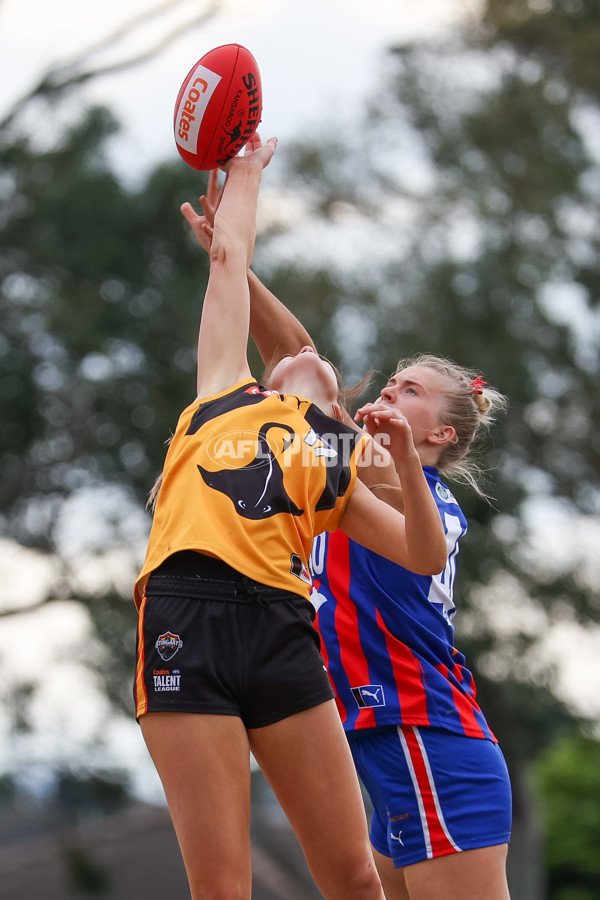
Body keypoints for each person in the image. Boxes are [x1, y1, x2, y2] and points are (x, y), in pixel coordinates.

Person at [132, 136, 448, 900]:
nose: (306, 354)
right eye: (293, 353)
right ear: (271, 373)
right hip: (188, 614)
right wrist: (243, 168)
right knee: (222, 887)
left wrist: (404, 458)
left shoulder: (339, 464)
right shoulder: (222, 389)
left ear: (333, 400)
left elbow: (425, 554)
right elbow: (228, 261)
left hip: (281, 629)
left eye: (322, 362)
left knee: (354, 880)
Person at [238, 224, 512, 898]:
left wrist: (352, 427)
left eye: (409, 391)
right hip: (384, 744)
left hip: (428, 739)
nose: (389, 392)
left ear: (441, 435)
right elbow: (293, 359)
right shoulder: (349, 471)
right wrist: (229, 264)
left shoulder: (402, 488)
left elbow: (310, 380)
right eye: (391, 382)